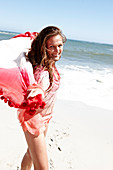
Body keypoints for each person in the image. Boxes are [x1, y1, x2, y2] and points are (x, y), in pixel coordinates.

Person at [0, 26, 66, 170]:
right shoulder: (42, 71)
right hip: (33, 119)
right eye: (52, 47)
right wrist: (38, 92)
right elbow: (40, 86)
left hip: (46, 116)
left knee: (31, 153)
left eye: (59, 45)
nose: (57, 50)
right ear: (45, 48)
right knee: (42, 167)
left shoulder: (50, 64)